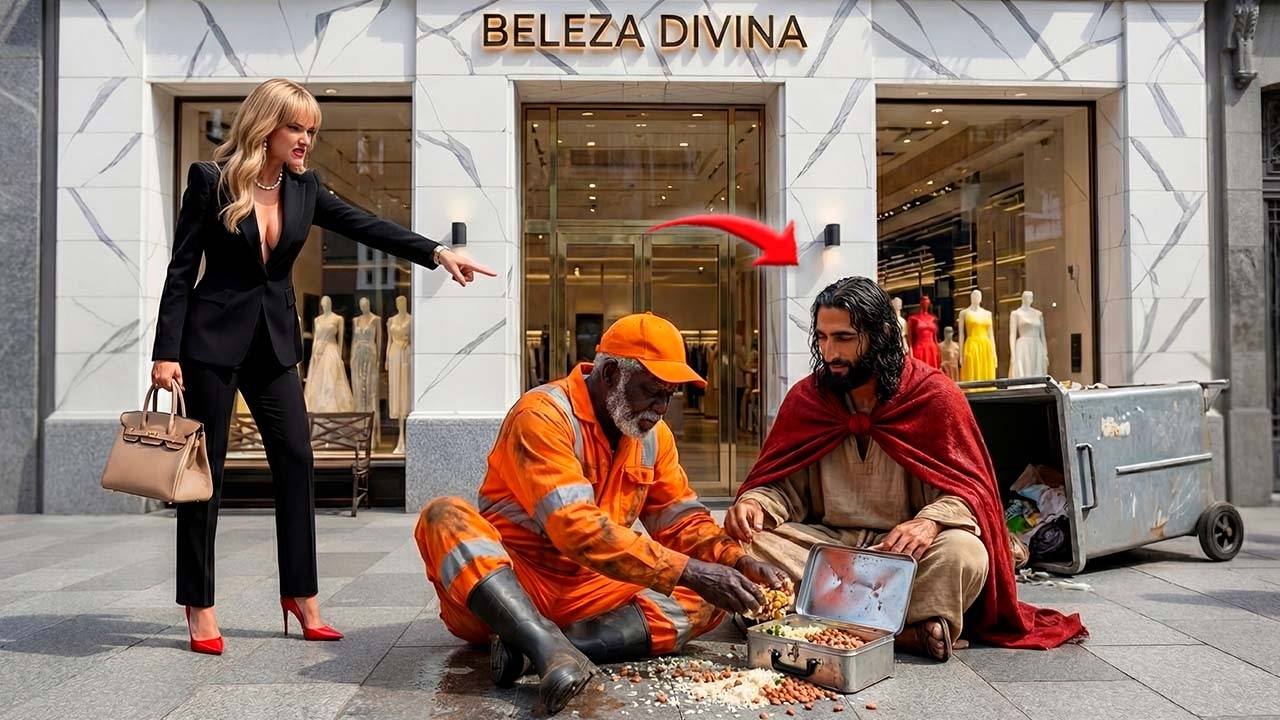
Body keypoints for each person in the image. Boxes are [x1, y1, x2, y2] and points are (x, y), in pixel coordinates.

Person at [149, 78, 496, 656]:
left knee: (296, 462)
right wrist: (166, 353)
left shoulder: (303, 189)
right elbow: (181, 271)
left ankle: (302, 597)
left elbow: (366, 224)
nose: (307, 139)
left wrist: (436, 253)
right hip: (209, 346)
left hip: (275, 347)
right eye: (297, 128)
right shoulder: (210, 183)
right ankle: (200, 607)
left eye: (312, 130)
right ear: (266, 126)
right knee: (204, 477)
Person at [414, 312, 788, 716]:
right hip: (510, 588)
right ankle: (538, 640)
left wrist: (736, 562)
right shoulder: (541, 415)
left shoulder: (652, 436)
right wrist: (691, 570)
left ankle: (541, 651)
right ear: (610, 373)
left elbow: (681, 520)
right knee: (444, 516)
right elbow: (575, 528)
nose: (660, 408)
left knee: (711, 599)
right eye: (651, 391)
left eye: (669, 395)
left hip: (589, 593)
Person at [724, 277, 1085, 662]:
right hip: (828, 548)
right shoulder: (808, 400)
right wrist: (757, 504)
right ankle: (901, 632)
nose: (830, 353)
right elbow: (783, 487)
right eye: (823, 338)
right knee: (743, 544)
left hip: (906, 556)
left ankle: (819, 619)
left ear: (880, 335)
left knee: (965, 553)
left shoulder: (934, 395)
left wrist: (929, 523)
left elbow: (973, 492)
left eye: (844, 338)